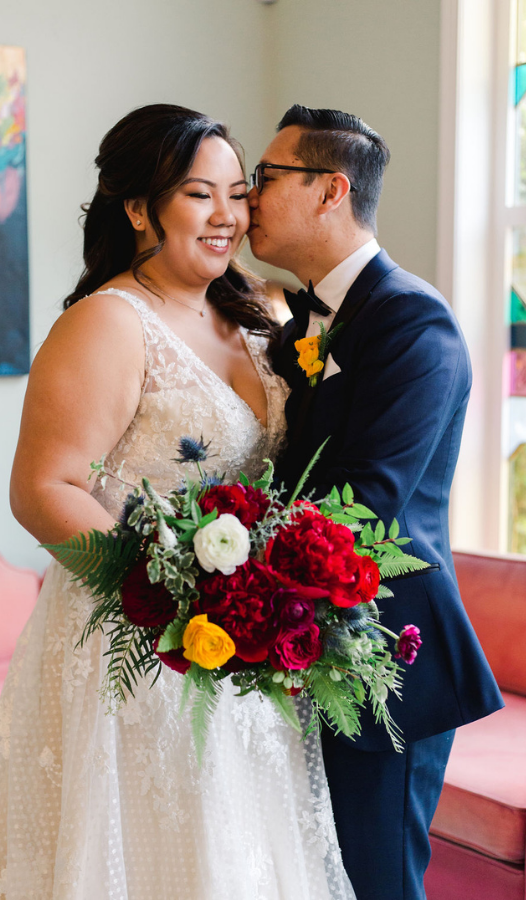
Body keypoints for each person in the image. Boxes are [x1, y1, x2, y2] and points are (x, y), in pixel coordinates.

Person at [0, 104, 353, 899]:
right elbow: (43, 490)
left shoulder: (263, 316)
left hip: (242, 647)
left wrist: (251, 605)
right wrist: (172, 597)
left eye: (238, 193)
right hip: (139, 646)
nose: (226, 216)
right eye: (197, 195)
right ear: (140, 208)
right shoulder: (108, 324)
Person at [251, 104, 505, 900]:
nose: (248, 196)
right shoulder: (317, 318)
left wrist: (227, 565)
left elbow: (369, 501)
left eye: (265, 178)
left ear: (331, 190)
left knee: (377, 883)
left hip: (388, 655)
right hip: (313, 647)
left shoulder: (411, 321)